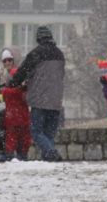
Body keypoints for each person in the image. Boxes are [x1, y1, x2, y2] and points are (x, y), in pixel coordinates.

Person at [7, 25, 65, 162]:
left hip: (40, 100)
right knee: (48, 135)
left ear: (38, 39)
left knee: (36, 132)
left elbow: (21, 72)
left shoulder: (36, 53)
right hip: (56, 100)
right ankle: (49, 160)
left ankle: (51, 152)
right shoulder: (60, 54)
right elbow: (60, 75)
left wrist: (11, 83)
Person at [0, 66, 31, 160]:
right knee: (24, 141)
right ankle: (23, 157)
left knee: (11, 140)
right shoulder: (26, 91)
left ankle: (10, 156)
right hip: (24, 120)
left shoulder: (7, 91)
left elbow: (0, 97)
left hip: (11, 120)